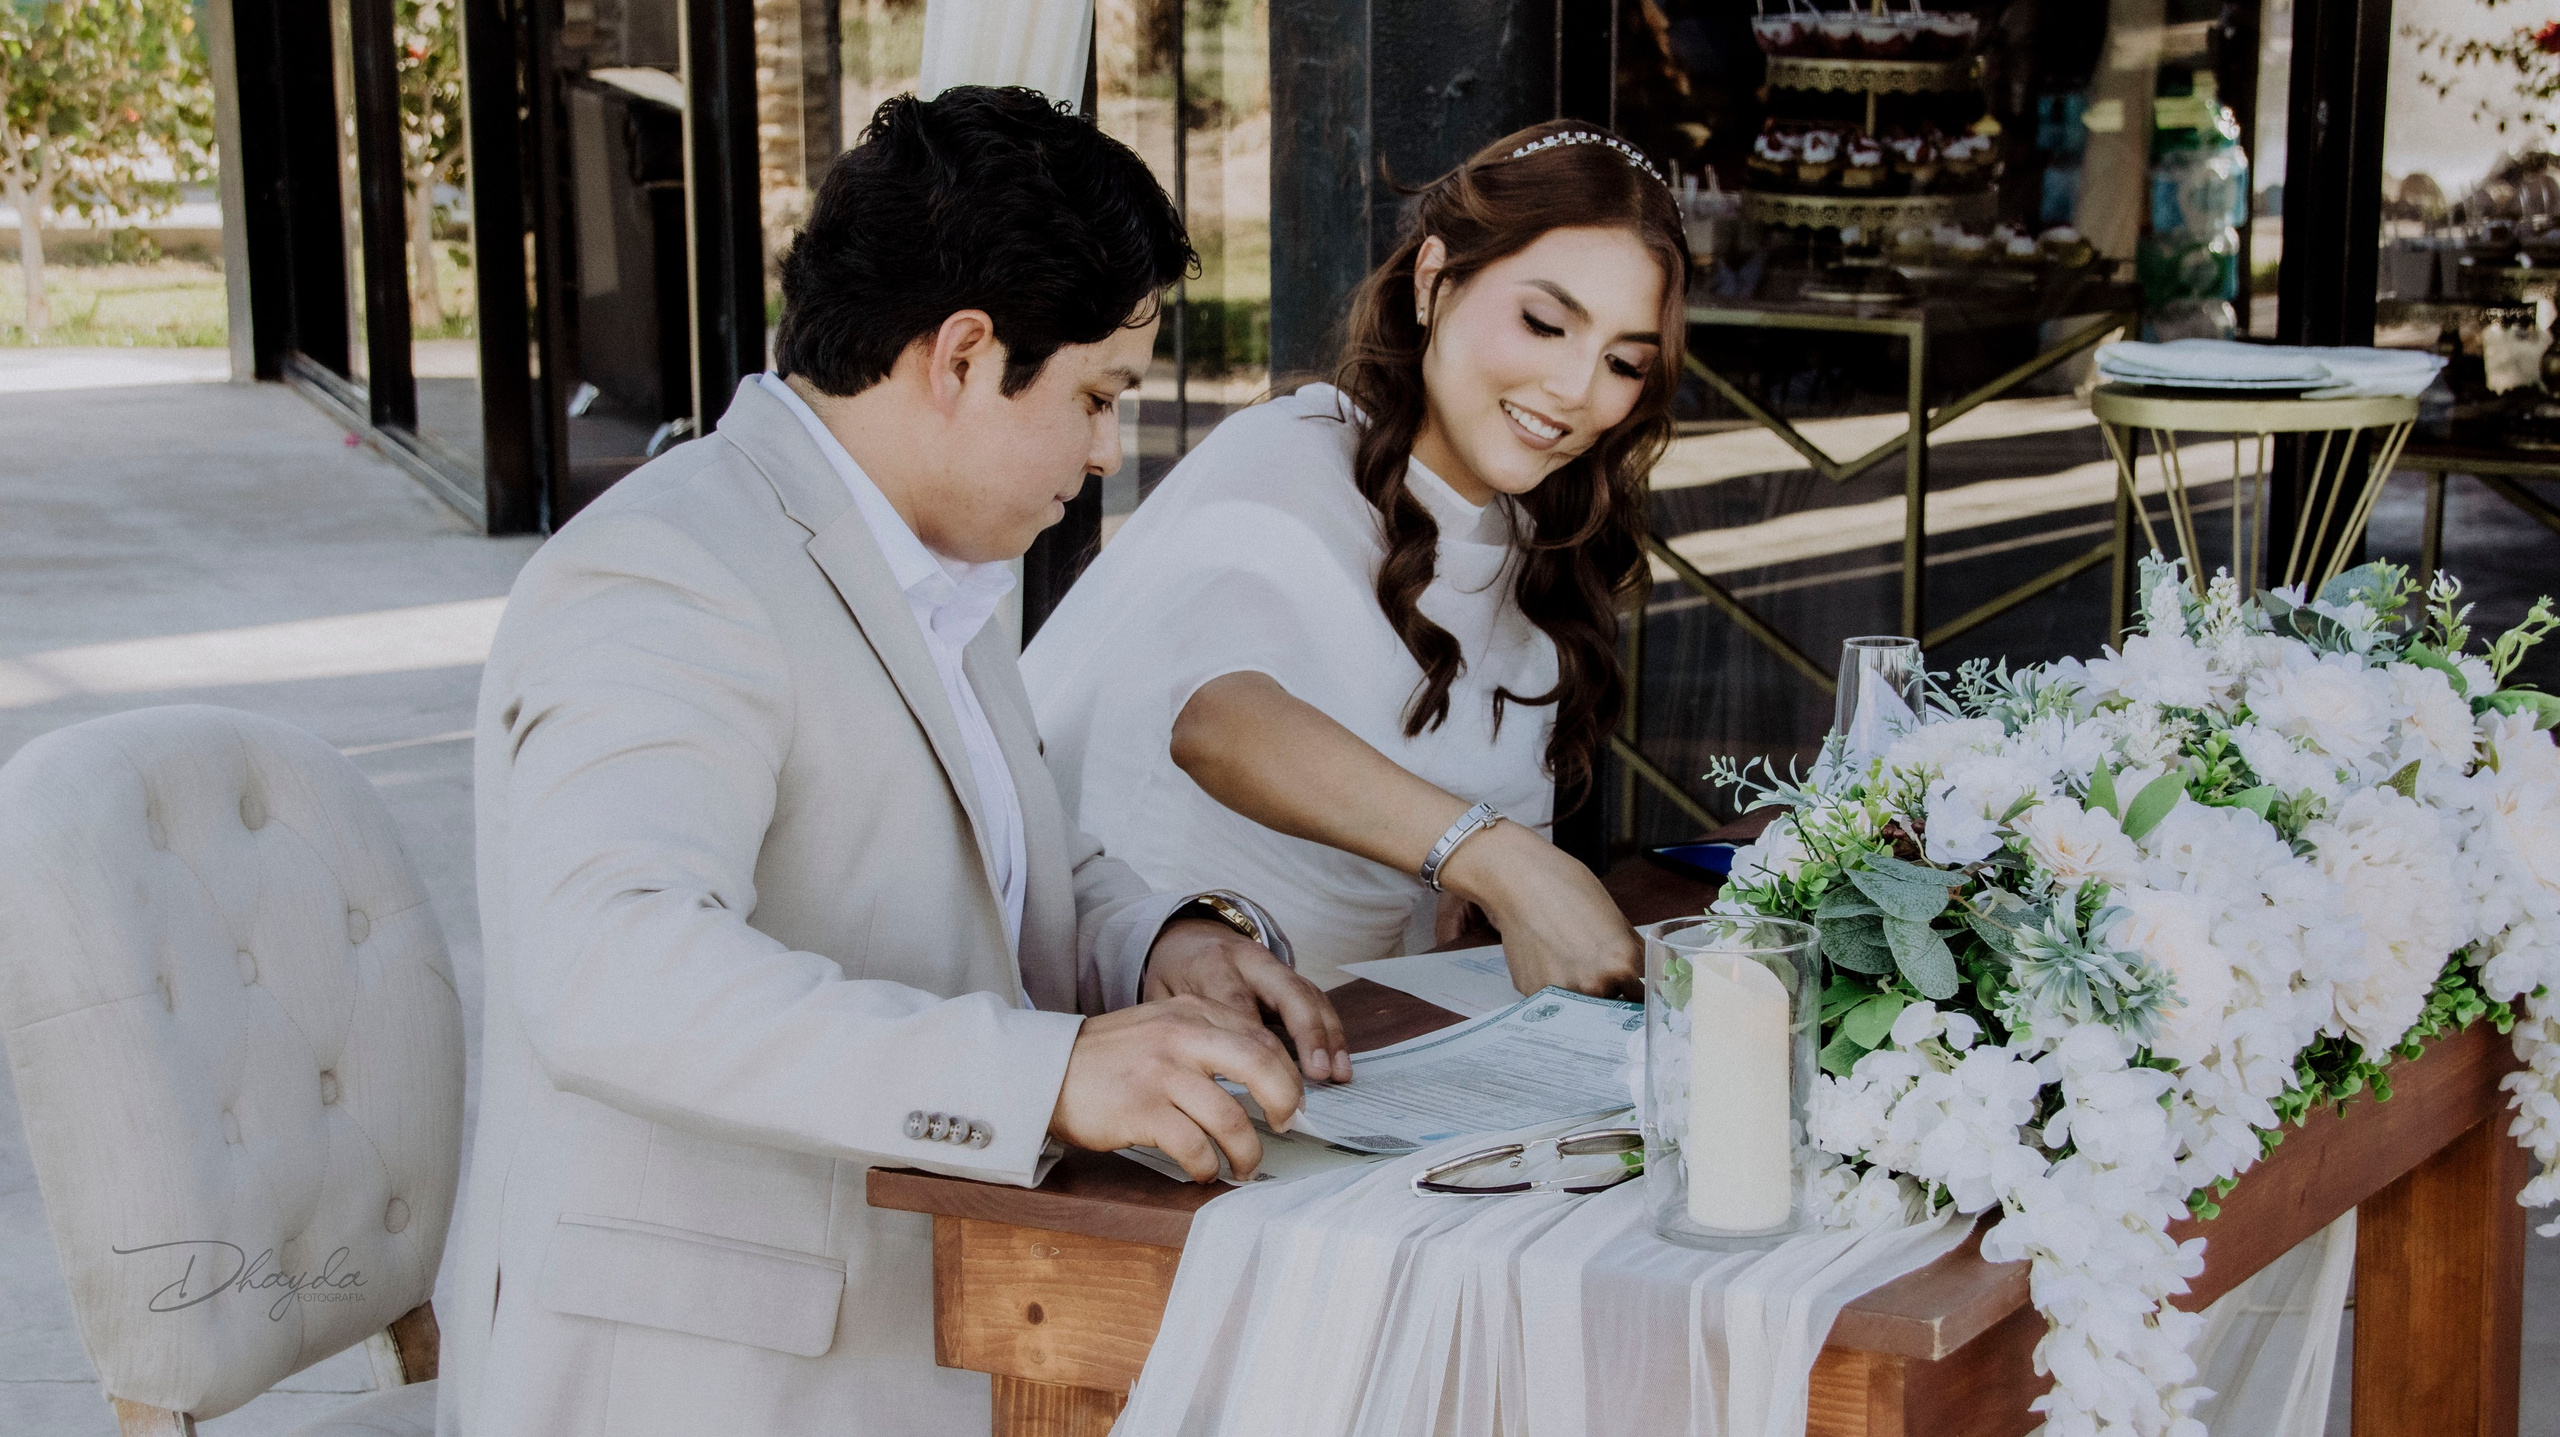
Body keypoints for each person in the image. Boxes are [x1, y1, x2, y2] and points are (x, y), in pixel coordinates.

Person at [438, 87, 1348, 1437]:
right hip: (713, 1378)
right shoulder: (671, 569)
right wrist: (1046, 1077)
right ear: (966, 355)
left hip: (939, 1305)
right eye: (1098, 398)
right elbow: (607, 969)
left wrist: (1161, 944)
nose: (1106, 453)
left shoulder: (927, 550)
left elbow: (982, 856)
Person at [1022, 122, 1686, 995]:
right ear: (1434, 280)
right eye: (1544, 323)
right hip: (1177, 1020)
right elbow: (1217, 724)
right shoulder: (1290, 453)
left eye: (1623, 363)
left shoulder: (1542, 544)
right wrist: (1496, 859)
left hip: (1390, 1044)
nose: (1576, 389)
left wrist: (1479, 900)